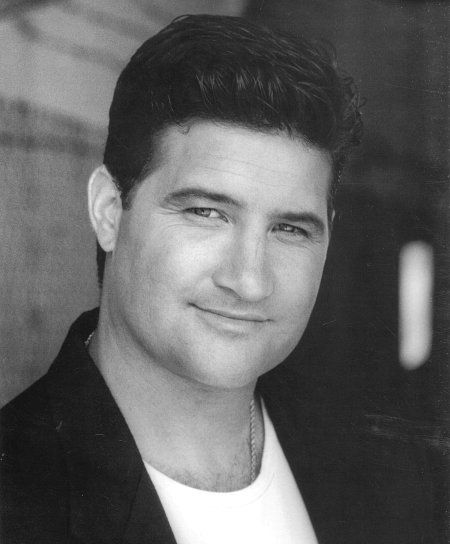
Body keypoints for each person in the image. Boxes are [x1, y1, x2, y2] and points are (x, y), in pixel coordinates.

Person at [0, 14, 439, 544]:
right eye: (207, 213)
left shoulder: (401, 478)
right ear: (109, 210)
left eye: (289, 229)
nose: (249, 281)